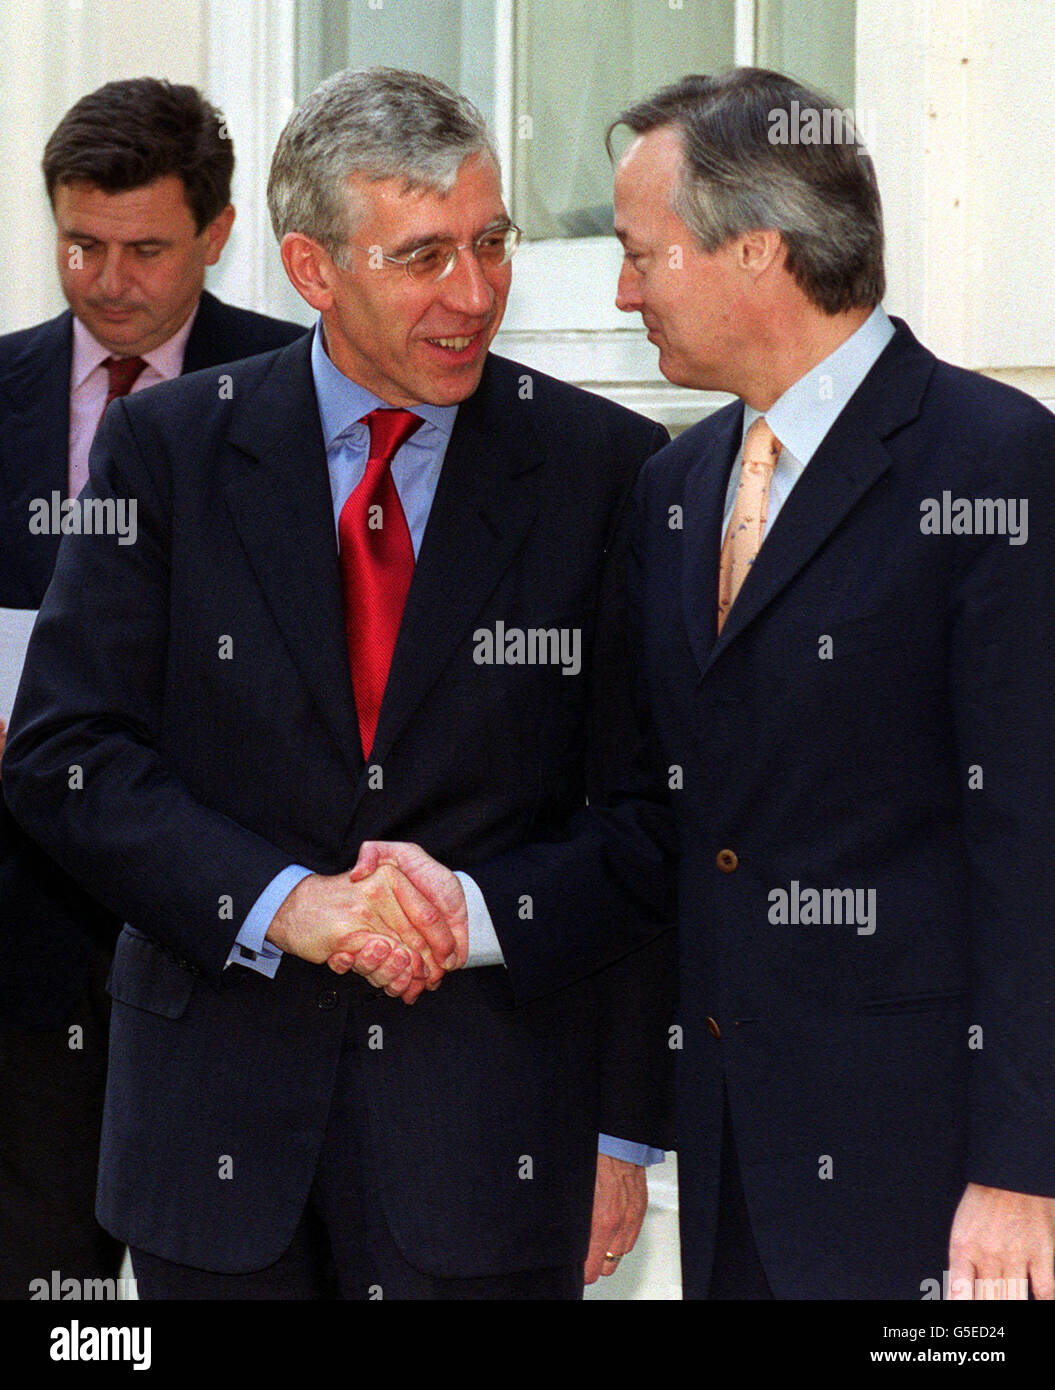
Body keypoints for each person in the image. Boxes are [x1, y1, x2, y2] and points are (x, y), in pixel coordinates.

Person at [3, 67, 676, 1299]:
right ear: (312, 270)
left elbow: (643, 822)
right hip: (211, 1142)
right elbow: (69, 753)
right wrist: (278, 903)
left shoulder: (607, 469)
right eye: (422, 257)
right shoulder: (169, 450)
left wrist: (620, 1132)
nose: (471, 295)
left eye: (489, 243)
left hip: (492, 1150)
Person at [598, 67, 1055, 1299]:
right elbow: (671, 832)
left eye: (644, 255)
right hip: (733, 1167)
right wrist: (623, 1124)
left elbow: (1031, 843)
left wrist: (1025, 1169)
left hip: (937, 1186)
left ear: (754, 252)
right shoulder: (676, 487)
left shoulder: (993, 463)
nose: (620, 290)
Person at [0, 76, 305, 1299]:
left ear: (218, 235)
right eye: (80, 244)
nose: (107, 280)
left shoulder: (302, 389)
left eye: (144, 249)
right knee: (52, 1296)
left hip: (231, 938)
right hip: (21, 943)